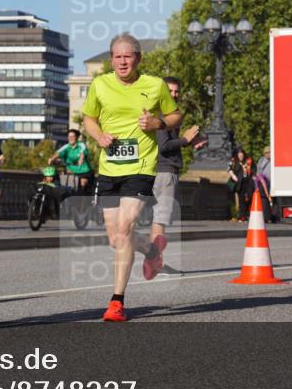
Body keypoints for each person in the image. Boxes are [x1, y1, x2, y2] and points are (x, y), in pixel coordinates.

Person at [81, 33, 181, 321]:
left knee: (125, 228)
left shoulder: (154, 85)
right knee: (115, 238)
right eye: (117, 56)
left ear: (138, 58)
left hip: (141, 167)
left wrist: (158, 122)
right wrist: (98, 134)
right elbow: (89, 117)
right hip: (110, 168)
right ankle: (151, 251)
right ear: (111, 59)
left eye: (127, 56)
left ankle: (116, 301)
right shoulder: (100, 84)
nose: (122, 61)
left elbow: (175, 116)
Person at [148, 76, 206, 275]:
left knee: (159, 220)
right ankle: (155, 264)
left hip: (163, 170)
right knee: (160, 220)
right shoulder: (162, 115)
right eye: (170, 91)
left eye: (176, 91)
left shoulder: (166, 114)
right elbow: (163, 146)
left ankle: (155, 262)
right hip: (164, 172)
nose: (174, 95)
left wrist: (190, 141)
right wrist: (184, 139)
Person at [49, 128, 93, 193]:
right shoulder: (66, 147)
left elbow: (82, 153)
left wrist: (81, 159)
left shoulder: (81, 145)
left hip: (84, 172)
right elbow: (58, 153)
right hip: (72, 172)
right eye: (69, 136)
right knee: (67, 187)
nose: (71, 138)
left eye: (73, 136)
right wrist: (52, 159)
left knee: (82, 185)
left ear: (77, 137)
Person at [228, 149, 248, 220]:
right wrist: (233, 176)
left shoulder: (245, 162)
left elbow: (246, 173)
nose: (241, 157)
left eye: (242, 155)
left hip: (243, 183)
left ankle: (242, 216)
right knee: (234, 200)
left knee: (242, 200)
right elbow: (229, 169)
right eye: (239, 155)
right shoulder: (233, 161)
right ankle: (236, 215)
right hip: (234, 183)